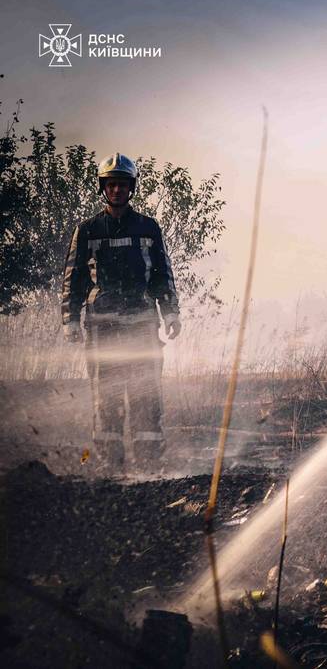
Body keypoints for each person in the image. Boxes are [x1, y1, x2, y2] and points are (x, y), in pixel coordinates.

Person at [61, 153, 181, 472]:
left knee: (146, 395)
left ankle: (149, 466)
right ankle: (110, 469)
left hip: (143, 325)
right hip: (102, 329)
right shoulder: (87, 230)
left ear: (132, 188)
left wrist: (171, 312)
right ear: (104, 188)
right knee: (107, 397)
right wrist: (70, 320)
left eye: (123, 185)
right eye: (112, 184)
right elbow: (73, 278)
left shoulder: (148, 228)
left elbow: (161, 274)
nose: (117, 190)